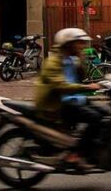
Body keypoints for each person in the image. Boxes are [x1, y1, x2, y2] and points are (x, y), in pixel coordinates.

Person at [34, 27, 102, 168]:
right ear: (68, 44)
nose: (82, 46)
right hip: (59, 104)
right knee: (95, 118)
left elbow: (82, 77)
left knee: (105, 113)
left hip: (75, 99)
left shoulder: (72, 60)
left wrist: (81, 59)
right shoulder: (53, 62)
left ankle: (93, 148)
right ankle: (75, 154)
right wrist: (87, 88)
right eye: (79, 43)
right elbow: (61, 86)